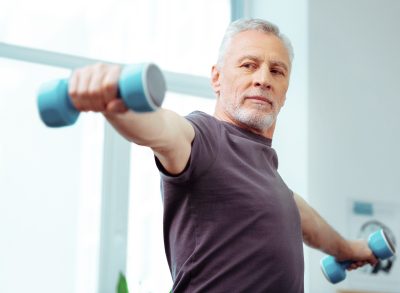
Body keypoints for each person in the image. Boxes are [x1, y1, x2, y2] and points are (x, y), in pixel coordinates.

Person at [68, 18, 377, 292]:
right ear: (216, 78)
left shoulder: (269, 177)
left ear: (285, 91)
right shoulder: (204, 138)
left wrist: (347, 248)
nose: (263, 79)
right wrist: (115, 102)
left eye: (277, 71)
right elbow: (162, 128)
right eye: (248, 65)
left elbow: (299, 214)